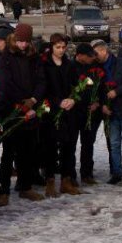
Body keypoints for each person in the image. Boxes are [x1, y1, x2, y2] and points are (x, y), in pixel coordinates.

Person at [0, 24, 47, 201]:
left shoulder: (34, 57)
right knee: (9, 152)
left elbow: (42, 80)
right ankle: (3, 190)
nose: (23, 45)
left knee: (28, 151)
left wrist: (33, 100)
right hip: (12, 110)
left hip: (31, 109)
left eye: (26, 41)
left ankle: (25, 186)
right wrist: (20, 102)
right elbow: (5, 83)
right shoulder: (6, 57)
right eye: (20, 41)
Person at [93, 39, 122, 186]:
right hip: (110, 111)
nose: (94, 56)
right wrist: (102, 105)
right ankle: (116, 173)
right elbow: (98, 90)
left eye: (96, 53)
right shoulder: (97, 69)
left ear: (103, 51)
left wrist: (117, 91)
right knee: (114, 144)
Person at [41, 33, 83, 197]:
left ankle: (66, 181)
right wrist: (57, 102)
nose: (61, 50)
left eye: (63, 47)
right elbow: (43, 88)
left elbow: (76, 86)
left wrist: (73, 99)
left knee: (69, 147)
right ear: (52, 47)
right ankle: (50, 181)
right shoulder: (45, 65)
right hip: (51, 111)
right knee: (50, 147)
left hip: (68, 112)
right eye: (57, 47)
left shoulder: (70, 65)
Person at [74, 43, 104, 186]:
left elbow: (101, 87)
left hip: (91, 113)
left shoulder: (94, 68)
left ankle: (87, 173)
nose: (92, 58)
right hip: (75, 111)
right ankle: (70, 176)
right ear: (79, 56)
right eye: (89, 56)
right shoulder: (71, 67)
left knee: (88, 143)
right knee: (71, 145)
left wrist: (97, 102)